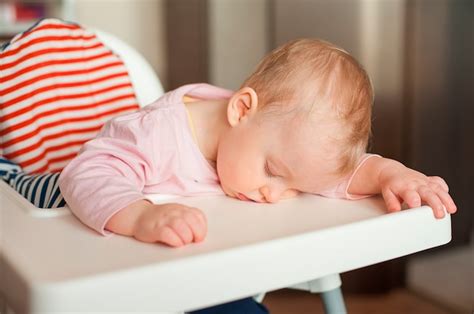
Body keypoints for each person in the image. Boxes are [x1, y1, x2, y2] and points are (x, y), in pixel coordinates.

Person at [59, 38, 457, 249]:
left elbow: (333, 174)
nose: (276, 195)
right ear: (241, 108)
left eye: (296, 187)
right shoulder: (157, 135)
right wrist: (141, 217)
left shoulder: (273, 137)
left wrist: (391, 173)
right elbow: (86, 171)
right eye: (273, 172)